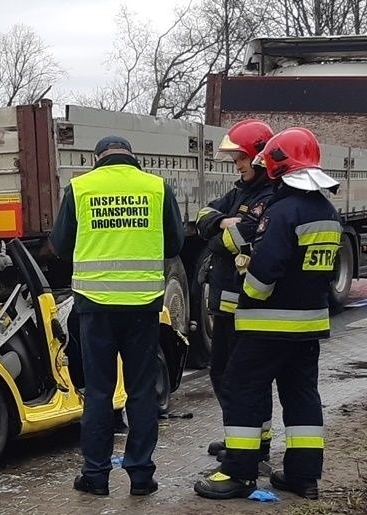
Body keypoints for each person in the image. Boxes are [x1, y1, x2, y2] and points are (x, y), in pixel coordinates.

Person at [194, 127, 340, 500]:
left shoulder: (282, 211)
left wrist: (248, 284)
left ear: (277, 165)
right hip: (310, 325)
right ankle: (302, 476)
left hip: (268, 324)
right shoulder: (327, 212)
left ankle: (239, 473)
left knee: (241, 388)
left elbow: (265, 272)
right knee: (301, 395)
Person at [50, 135, 184, 496]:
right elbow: (175, 244)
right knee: (140, 391)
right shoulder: (156, 187)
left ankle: (95, 476)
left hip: (94, 307)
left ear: (97, 159)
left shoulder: (81, 188)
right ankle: (141, 476)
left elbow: (60, 246)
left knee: (98, 392)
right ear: (132, 158)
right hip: (142, 305)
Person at [195, 120, 275, 464]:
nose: (236, 164)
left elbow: (236, 239)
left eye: (240, 157)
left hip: (245, 305)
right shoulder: (241, 191)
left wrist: (220, 231)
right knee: (225, 373)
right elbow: (202, 216)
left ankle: (251, 444)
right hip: (225, 303)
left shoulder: (268, 196)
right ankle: (244, 437)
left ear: (258, 157)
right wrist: (219, 224)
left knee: (240, 378)